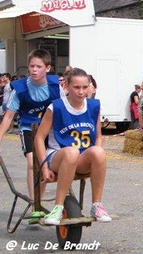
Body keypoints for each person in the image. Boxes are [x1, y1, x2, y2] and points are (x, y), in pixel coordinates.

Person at [34, 68, 111, 225]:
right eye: (76, 87)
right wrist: (44, 168)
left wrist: (96, 158)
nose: (81, 92)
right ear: (67, 86)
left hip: (80, 158)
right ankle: (58, 207)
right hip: (57, 156)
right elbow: (39, 138)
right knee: (71, 152)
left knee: (99, 151)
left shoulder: (94, 106)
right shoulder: (55, 107)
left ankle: (97, 205)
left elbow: (98, 136)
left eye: (85, 87)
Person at [0, 50, 62, 209]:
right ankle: (35, 202)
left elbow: (64, 111)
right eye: (32, 66)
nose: (34, 69)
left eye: (39, 66)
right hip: (28, 128)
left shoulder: (56, 87)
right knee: (31, 162)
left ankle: (39, 201)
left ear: (47, 68)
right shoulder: (19, 90)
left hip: (49, 129)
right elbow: (8, 118)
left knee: (45, 163)